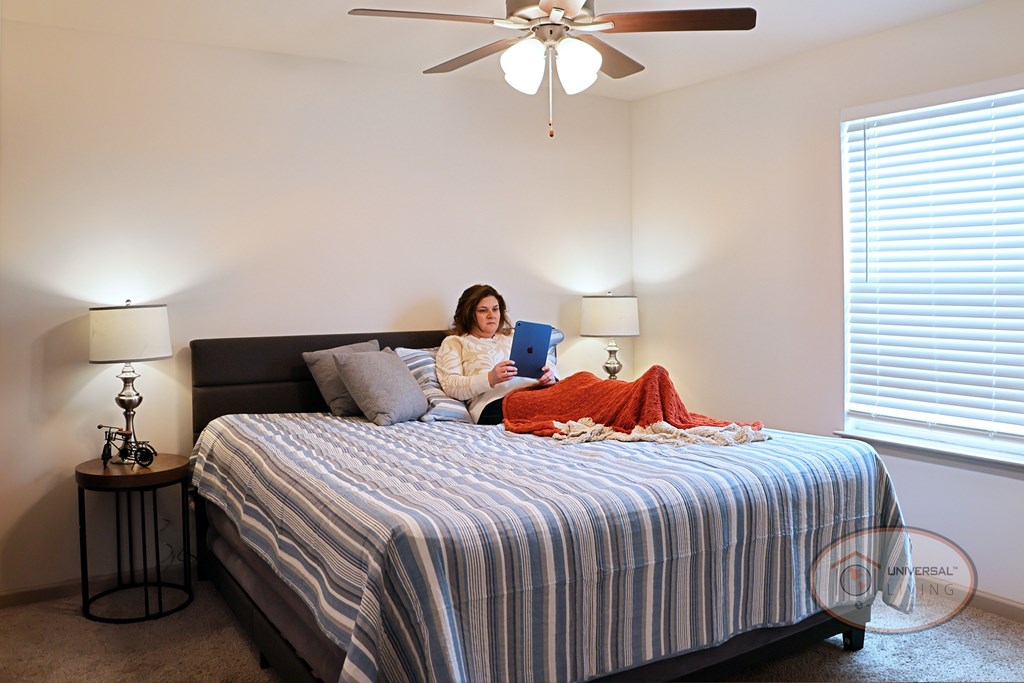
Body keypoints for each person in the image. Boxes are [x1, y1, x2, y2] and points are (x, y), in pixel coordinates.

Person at [436, 284, 557, 425]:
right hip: (496, 404)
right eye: (483, 310)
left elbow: (549, 364)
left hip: (538, 393)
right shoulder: (455, 342)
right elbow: (451, 387)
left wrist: (550, 376)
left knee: (584, 379)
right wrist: (490, 378)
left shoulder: (514, 336)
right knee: (567, 397)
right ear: (468, 314)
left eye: (495, 309)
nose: (491, 315)